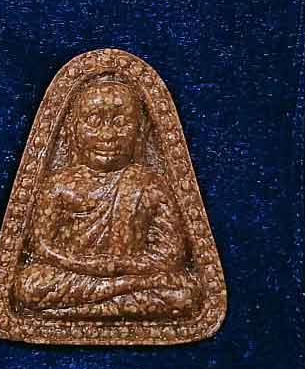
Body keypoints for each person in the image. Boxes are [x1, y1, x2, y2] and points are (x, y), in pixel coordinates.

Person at [13, 80, 202, 319]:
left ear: (141, 130)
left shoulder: (150, 184)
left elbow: (171, 255)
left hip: (126, 275)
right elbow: (41, 247)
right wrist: (91, 267)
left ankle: (80, 309)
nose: (107, 135)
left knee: (185, 293)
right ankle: (109, 303)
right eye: (94, 122)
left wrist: (117, 267)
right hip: (81, 274)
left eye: (120, 122)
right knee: (29, 285)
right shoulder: (58, 185)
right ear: (73, 128)